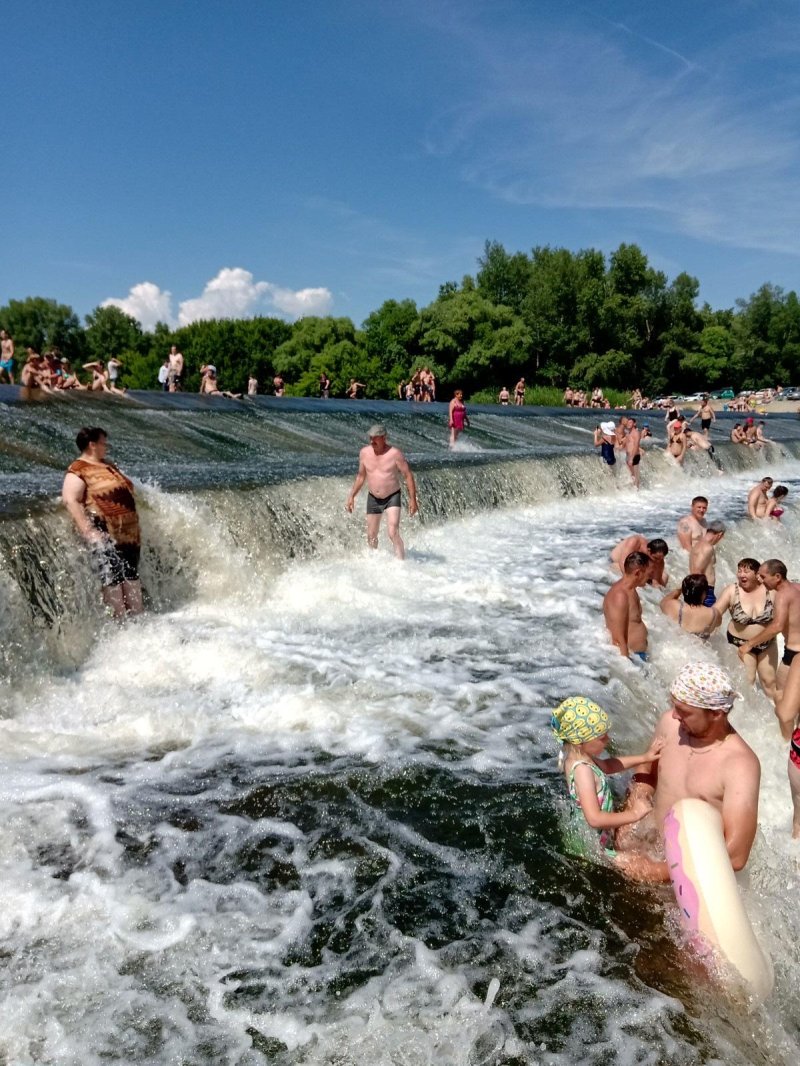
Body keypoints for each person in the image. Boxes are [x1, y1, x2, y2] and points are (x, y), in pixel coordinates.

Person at [615, 662, 760, 882]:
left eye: (683, 711)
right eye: (674, 707)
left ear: (716, 714)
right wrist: (636, 801)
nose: (674, 716)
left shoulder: (740, 765)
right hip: (648, 846)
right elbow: (647, 767)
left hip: (689, 880)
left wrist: (657, 871)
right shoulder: (671, 725)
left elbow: (736, 856)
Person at [552, 696, 663, 856]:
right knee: (638, 868)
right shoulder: (582, 770)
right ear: (579, 742)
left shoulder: (577, 755)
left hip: (596, 834)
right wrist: (634, 814)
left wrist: (644, 758)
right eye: (601, 738)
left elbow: (609, 766)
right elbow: (594, 819)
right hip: (594, 846)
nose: (608, 740)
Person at [61, 426, 143, 621]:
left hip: (128, 534)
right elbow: (70, 500)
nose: (107, 447)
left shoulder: (107, 464)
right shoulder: (78, 469)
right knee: (112, 579)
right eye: (104, 443)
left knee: (131, 576)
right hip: (103, 533)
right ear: (92, 445)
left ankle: (139, 622)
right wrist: (88, 530)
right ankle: (120, 624)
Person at [738, 559, 800, 730]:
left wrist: (749, 644)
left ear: (777, 577)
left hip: (794, 656)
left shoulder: (782, 595)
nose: (760, 579)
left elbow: (777, 626)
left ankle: (786, 741)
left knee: (782, 698)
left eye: (763, 576)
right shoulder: (797, 588)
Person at [346, 424, 418, 559]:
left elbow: (408, 475)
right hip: (373, 497)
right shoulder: (364, 453)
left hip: (392, 496)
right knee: (371, 535)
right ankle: (374, 561)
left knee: (392, 532)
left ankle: (402, 563)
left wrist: (413, 499)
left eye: (375, 438)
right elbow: (361, 476)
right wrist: (352, 496)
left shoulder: (395, 454)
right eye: (370, 438)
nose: (372, 441)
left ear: (384, 438)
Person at [715, 558, 778, 704]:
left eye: (746, 571)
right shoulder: (732, 591)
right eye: (739, 570)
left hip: (766, 643)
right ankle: (747, 719)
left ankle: (778, 718)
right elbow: (716, 613)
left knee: (769, 682)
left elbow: (784, 616)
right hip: (740, 644)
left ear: (757, 575)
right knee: (747, 683)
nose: (741, 574)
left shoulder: (770, 591)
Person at [603, 551, 652, 660]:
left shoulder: (630, 590)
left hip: (638, 656)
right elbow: (619, 639)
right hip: (633, 658)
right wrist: (630, 668)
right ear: (638, 573)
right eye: (648, 574)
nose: (650, 578)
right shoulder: (620, 596)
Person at [659, 574, 720, 640]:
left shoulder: (676, 608)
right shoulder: (714, 614)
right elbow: (718, 625)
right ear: (704, 594)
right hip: (700, 649)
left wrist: (679, 590)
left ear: (684, 591)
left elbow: (663, 602)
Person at [688, 520, 725, 606]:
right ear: (720, 535)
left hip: (697, 589)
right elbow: (697, 571)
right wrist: (701, 596)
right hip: (704, 591)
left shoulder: (696, 546)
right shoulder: (707, 548)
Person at [624, 417, 642, 487]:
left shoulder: (636, 433)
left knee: (635, 475)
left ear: (634, 424)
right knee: (632, 474)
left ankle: (637, 491)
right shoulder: (628, 433)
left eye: (630, 422)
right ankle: (633, 490)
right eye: (628, 423)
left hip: (634, 456)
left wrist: (631, 458)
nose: (628, 424)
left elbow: (636, 445)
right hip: (628, 456)